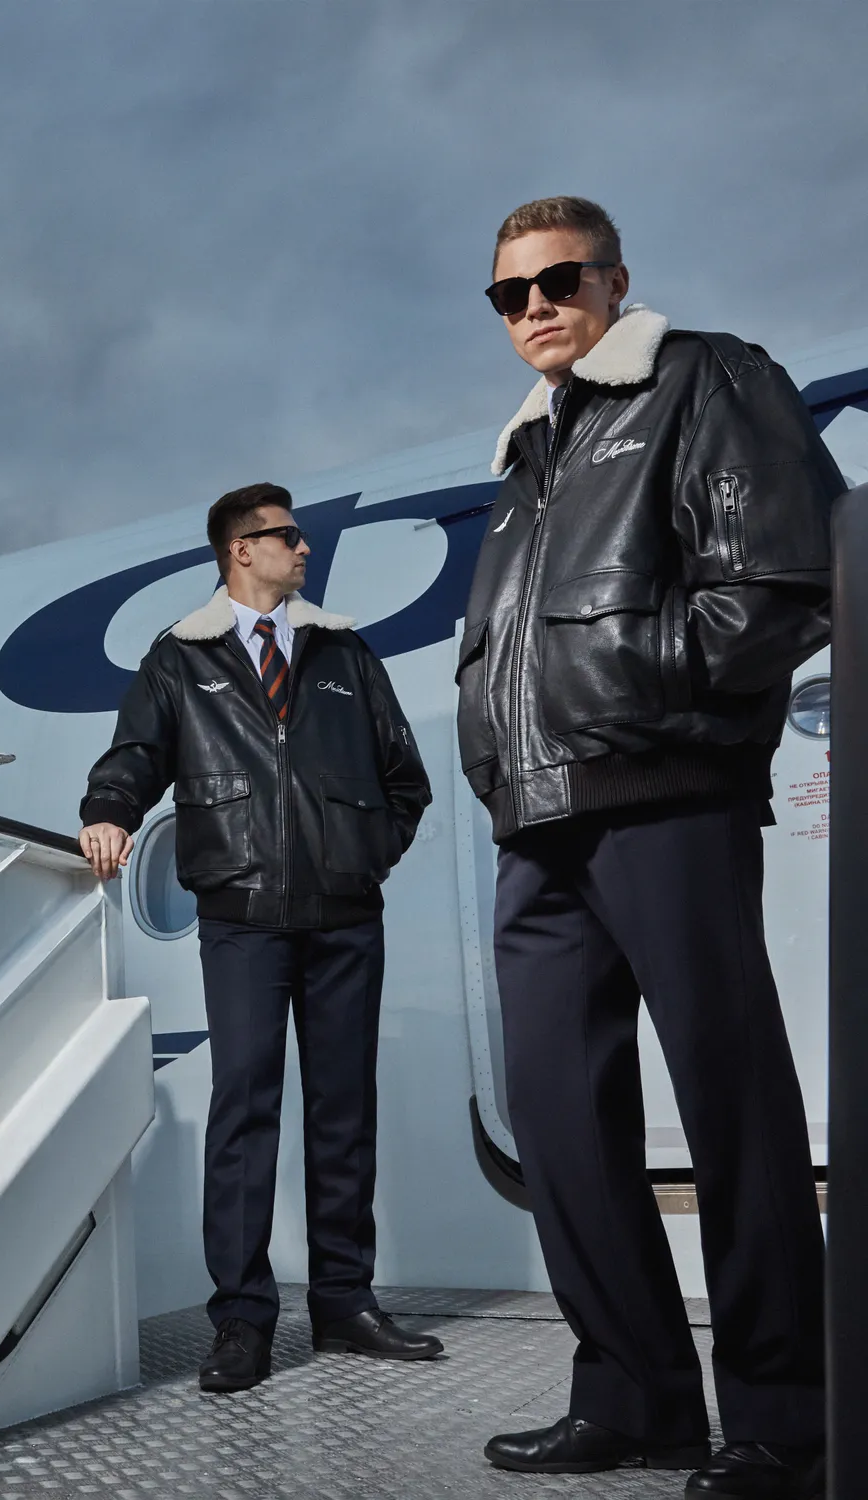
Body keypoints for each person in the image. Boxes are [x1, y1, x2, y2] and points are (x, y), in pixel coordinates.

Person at [458, 197, 839, 1498]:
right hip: (537, 820)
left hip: (665, 791)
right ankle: (632, 1396)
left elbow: (782, 576)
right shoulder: (528, 457)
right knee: (560, 1120)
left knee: (730, 1105)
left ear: (615, 281)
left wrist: (651, 695)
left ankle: (789, 1419)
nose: (535, 308)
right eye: (509, 294)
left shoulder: (703, 379)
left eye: (559, 281)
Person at [80, 481, 441, 1392]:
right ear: (241, 549)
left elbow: (406, 778)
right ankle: (242, 1320)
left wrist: (363, 855)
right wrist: (108, 809)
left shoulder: (343, 651)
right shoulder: (181, 658)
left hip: (345, 913)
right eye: (288, 536)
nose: (304, 548)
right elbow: (136, 754)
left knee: (343, 1110)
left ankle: (345, 1304)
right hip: (242, 915)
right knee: (245, 1111)